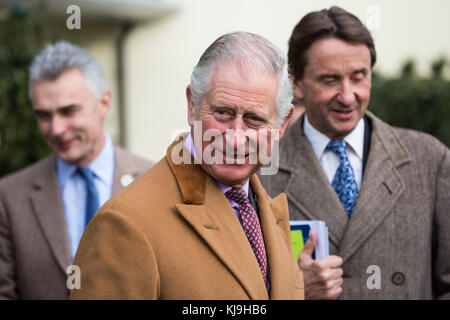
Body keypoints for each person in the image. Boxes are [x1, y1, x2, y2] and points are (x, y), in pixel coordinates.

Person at [70, 31, 304, 300]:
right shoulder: (125, 223)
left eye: (254, 119)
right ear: (192, 106)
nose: (236, 138)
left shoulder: (264, 207)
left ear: (282, 124)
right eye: (223, 113)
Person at [259, 6, 450, 299]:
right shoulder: (259, 172)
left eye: (359, 77)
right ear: (296, 82)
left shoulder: (429, 159)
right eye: (330, 80)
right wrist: (292, 291)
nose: (348, 97)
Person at [0, 41, 152, 299]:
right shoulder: (9, 196)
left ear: (103, 103)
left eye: (69, 111)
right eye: (44, 115)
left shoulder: (153, 182)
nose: (56, 129)